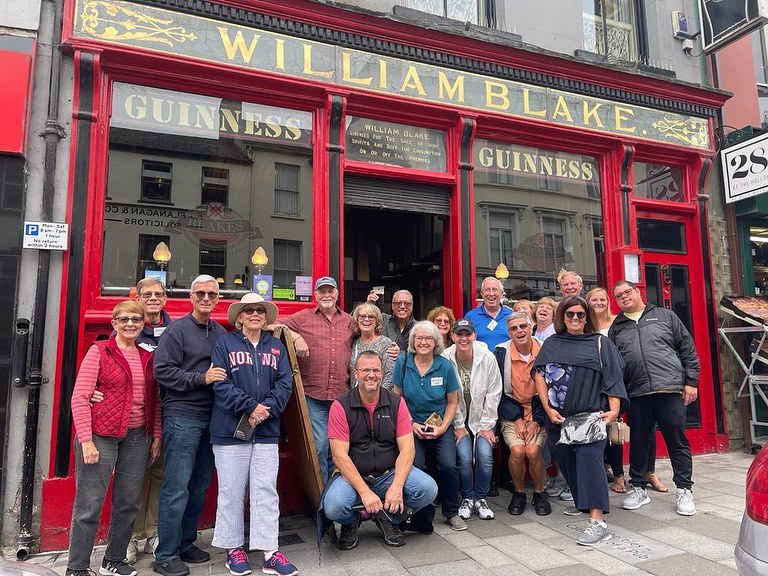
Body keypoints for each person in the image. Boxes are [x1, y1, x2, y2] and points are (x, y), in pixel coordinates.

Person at [67, 301, 162, 576]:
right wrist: (86, 440)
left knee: (129, 502)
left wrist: (156, 436)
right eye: (124, 319)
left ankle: (113, 560)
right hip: (100, 435)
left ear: (143, 324)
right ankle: (77, 567)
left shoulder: (147, 357)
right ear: (114, 323)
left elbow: (154, 402)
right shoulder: (100, 351)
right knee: (89, 504)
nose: (130, 324)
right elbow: (80, 396)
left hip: (136, 437)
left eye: (135, 319)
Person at [209, 294, 298, 576]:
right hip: (230, 429)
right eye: (249, 311)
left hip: (267, 429)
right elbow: (220, 384)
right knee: (231, 490)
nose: (255, 314)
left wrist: (266, 409)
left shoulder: (276, 347)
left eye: (260, 310)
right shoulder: (225, 343)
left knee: (266, 490)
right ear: (240, 317)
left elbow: (285, 382)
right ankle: (233, 548)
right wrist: (251, 407)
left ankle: (270, 551)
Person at [534, 295, 627, 546]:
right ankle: (586, 505)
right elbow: (540, 376)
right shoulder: (552, 342)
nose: (575, 318)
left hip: (591, 416)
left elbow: (613, 378)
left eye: (580, 314)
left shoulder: (600, 343)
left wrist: (615, 410)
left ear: (588, 317)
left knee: (589, 461)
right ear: (562, 317)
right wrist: (546, 407)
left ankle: (597, 521)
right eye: (570, 314)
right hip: (558, 419)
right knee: (568, 464)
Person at [323, 351, 438, 549]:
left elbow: (408, 449)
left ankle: (389, 519)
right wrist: (365, 492)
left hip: (388, 474)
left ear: (383, 373)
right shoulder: (340, 406)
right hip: (353, 477)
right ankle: (351, 520)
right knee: (333, 507)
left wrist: (396, 486)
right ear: (355, 373)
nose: (371, 375)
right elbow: (339, 456)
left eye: (376, 370)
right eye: (365, 370)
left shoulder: (396, 403)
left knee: (428, 489)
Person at [152, 275, 228, 576]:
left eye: (212, 294)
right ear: (191, 298)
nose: (206, 298)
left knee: (199, 486)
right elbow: (162, 371)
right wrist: (201, 379)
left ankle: (185, 543)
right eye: (201, 294)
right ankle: (165, 554)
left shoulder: (221, 332)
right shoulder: (176, 331)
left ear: (218, 299)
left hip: (213, 418)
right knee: (176, 487)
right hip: (182, 417)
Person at [608, 280, 700, 516]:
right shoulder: (617, 326)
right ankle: (638, 488)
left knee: (676, 441)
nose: (624, 297)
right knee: (639, 442)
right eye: (619, 296)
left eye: (627, 292)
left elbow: (687, 348)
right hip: (636, 393)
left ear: (638, 292)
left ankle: (684, 490)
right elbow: (614, 365)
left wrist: (691, 382)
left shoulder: (665, 316)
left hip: (669, 389)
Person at [392, 321, 465, 531]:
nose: (423, 342)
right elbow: (398, 399)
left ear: (436, 342)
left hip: (440, 425)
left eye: (428, 338)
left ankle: (452, 512)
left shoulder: (444, 365)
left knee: (449, 465)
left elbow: (452, 402)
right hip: (411, 425)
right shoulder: (403, 363)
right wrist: (411, 423)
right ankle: (420, 514)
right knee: (416, 466)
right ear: (413, 341)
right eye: (419, 338)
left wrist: (443, 428)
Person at [281, 276, 355, 483]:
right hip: (313, 395)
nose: (327, 295)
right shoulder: (303, 318)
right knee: (320, 446)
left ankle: (337, 495)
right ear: (315, 295)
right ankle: (321, 500)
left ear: (337, 294)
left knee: (340, 448)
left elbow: (369, 338)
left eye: (330, 291)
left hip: (341, 396)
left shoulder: (350, 321)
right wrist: (295, 336)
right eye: (322, 291)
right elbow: (272, 325)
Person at [127, 278, 172, 563]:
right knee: (133, 477)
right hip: (137, 415)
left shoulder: (176, 328)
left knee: (160, 474)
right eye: (147, 294)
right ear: (139, 298)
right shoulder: (128, 326)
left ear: (165, 298)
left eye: (158, 294)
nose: (153, 298)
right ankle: (129, 536)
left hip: (168, 411)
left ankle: (153, 530)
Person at [442, 319, 502, 520]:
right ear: (453, 336)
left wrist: (486, 427)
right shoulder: (445, 358)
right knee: (464, 456)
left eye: (468, 334)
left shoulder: (487, 357)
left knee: (485, 454)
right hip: (458, 418)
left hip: (482, 417)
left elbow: (494, 393)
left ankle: (481, 498)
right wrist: (458, 425)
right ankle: (467, 498)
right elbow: (447, 396)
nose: (464, 338)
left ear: (474, 336)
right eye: (459, 334)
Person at [494, 313, 550, 517]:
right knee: (518, 451)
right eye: (514, 328)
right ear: (509, 333)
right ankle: (518, 493)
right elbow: (496, 390)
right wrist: (517, 419)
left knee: (533, 451)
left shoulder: (546, 349)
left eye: (523, 326)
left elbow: (554, 388)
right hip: (512, 412)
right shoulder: (500, 353)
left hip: (539, 410)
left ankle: (539, 492)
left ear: (531, 327)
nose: (519, 331)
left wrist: (537, 419)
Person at [586, 287, 625, 494]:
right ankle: (601, 470)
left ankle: (619, 475)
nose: (599, 303)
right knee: (597, 428)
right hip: (594, 383)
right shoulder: (585, 325)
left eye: (602, 299)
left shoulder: (617, 322)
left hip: (615, 380)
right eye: (594, 300)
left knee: (613, 431)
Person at [349, 303, 395, 390]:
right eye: (362, 316)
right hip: (355, 397)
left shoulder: (385, 343)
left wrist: (379, 398)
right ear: (357, 320)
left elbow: (389, 375)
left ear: (377, 321)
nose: (366, 319)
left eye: (371, 317)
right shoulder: (354, 342)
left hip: (377, 397)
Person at [465, 277, 513, 349]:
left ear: (501, 293)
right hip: (481, 360)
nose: (491, 293)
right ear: (482, 293)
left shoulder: (512, 315)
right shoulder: (470, 316)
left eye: (494, 289)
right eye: (487, 290)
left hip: (506, 359)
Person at [368, 289, 417, 359]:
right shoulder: (382, 320)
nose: (402, 306)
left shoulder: (419, 327)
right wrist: (369, 304)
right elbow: (355, 322)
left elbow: (425, 354)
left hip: (408, 369)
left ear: (412, 306)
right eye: (398, 303)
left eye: (407, 304)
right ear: (392, 305)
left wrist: (401, 353)